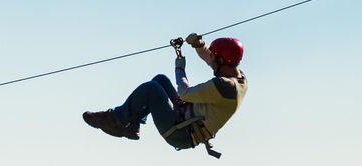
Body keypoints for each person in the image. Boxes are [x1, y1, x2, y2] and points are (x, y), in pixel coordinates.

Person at [83, 34, 246, 157]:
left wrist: (180, 68)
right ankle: (133, 126)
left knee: (151, 89)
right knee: (160, 80)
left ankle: (116, 120)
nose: (209, 59)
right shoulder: (238, 78)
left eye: (213, 56)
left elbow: (185, 93)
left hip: (181, 133)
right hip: (185, 117)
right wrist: (199, 45)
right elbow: (210, 57)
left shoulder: (224, 86)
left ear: (222, 60)